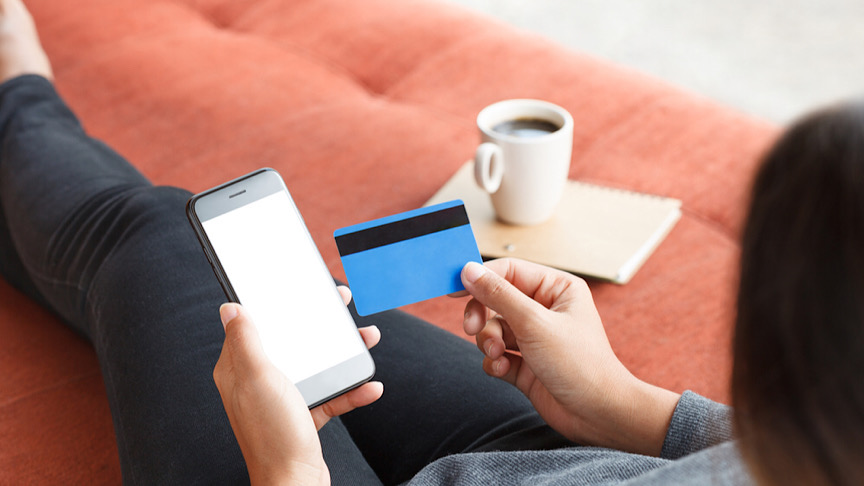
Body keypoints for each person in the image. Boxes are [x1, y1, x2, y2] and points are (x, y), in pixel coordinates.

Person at [0, 0, 861, 484]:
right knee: (232, 281)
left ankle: (18, 95)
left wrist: (286, 468)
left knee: (163, 237)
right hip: (583, 466)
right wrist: (625, 405)